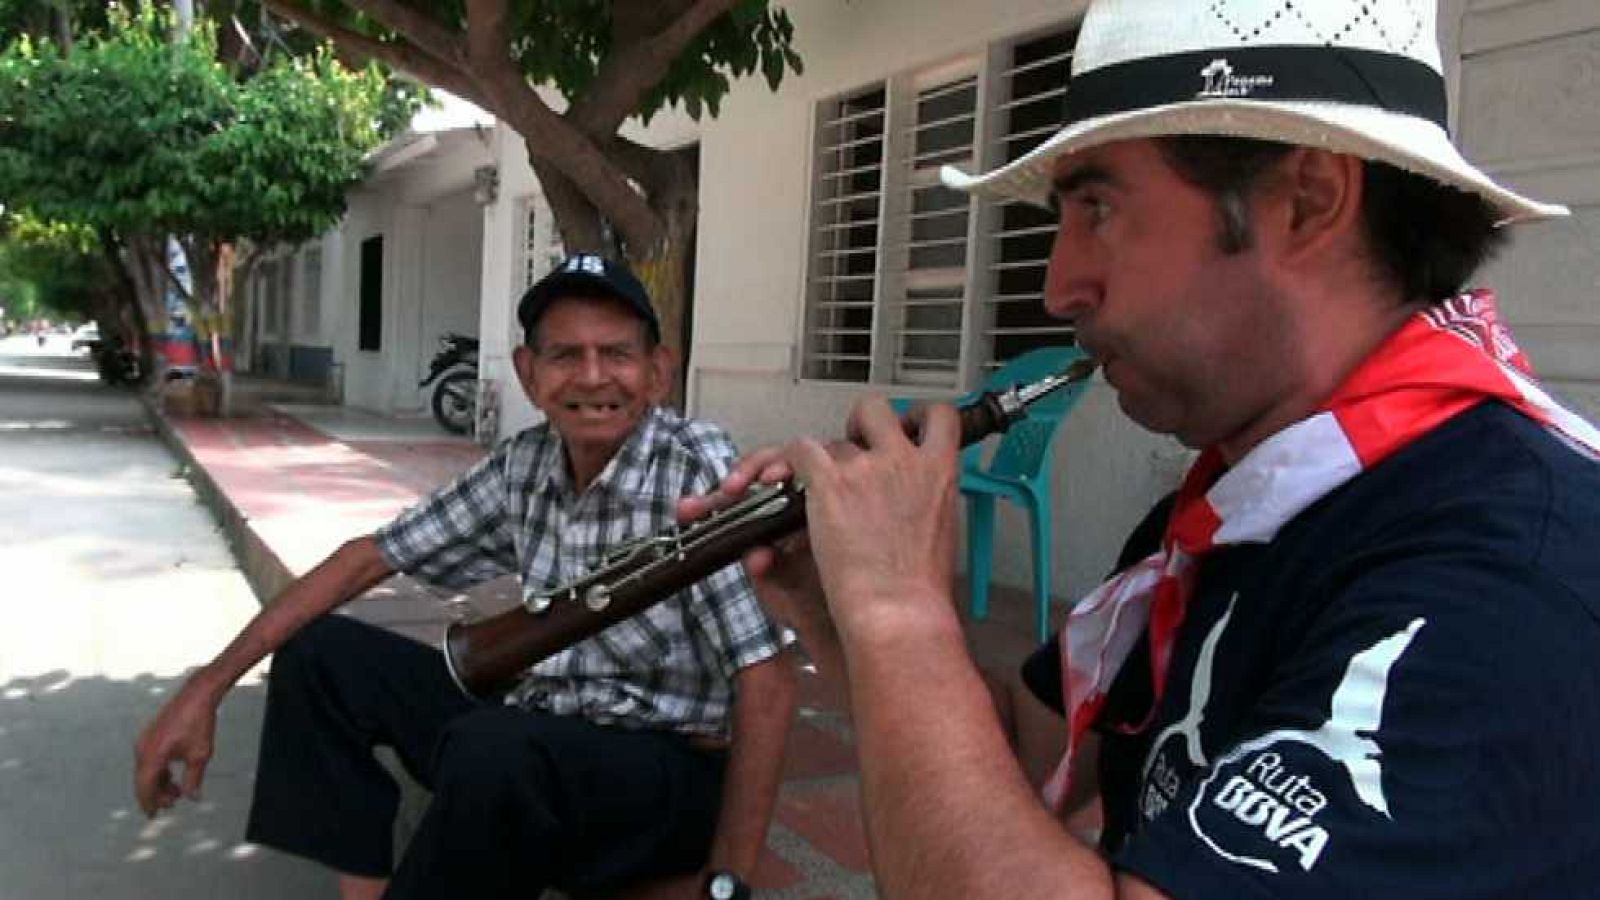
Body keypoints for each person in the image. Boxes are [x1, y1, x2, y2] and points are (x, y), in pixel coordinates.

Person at [684, 0, 1600, 897]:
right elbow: (1008, 757)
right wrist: (841, 610)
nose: (1057, 285)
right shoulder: (1232, 509)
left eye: (1098, 207)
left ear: (1307, 202)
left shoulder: (1511, 580)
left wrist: (900, 611)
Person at [134, 254, 795, 900]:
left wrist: (725, 884)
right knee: (319, 655)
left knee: (496, 749)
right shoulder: (526, 464)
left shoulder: (699, 471)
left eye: (617, 354)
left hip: (661, 776)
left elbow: (766, 681)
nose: (593, 378)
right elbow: (369, 556)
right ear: (528, 374)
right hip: (542, 734)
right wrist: (207, 686)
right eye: (565, 355)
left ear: (658, 372)